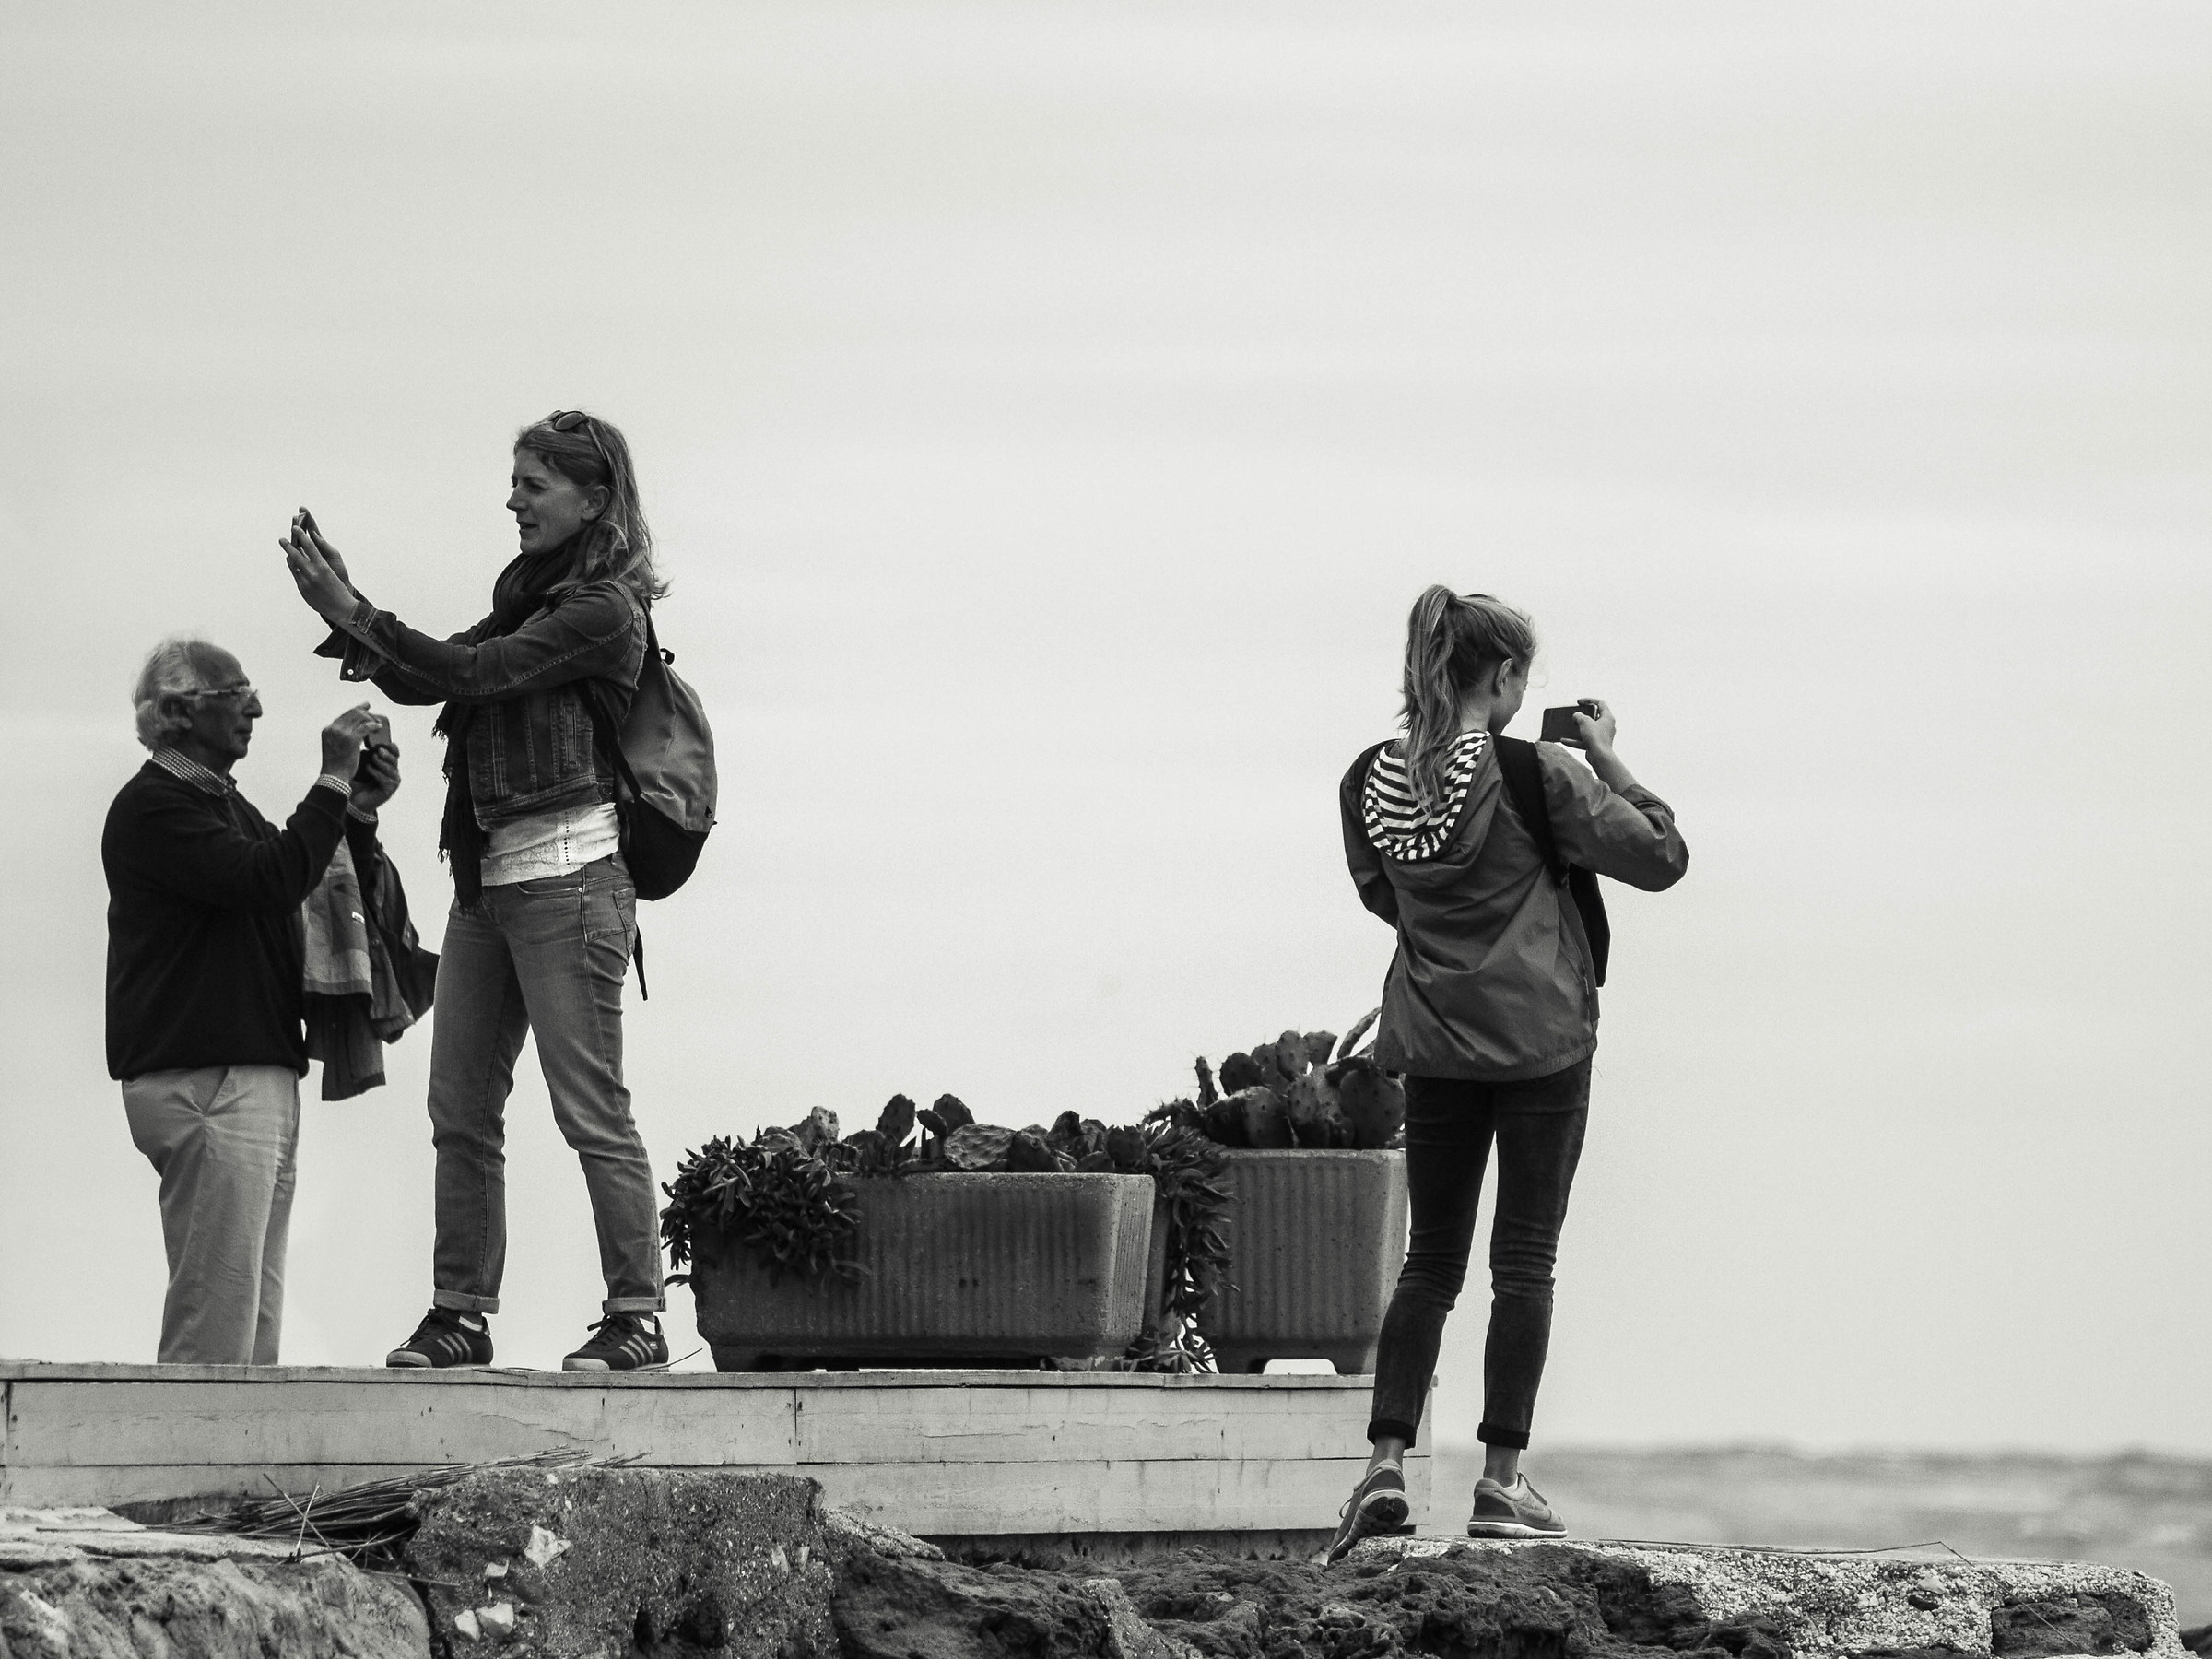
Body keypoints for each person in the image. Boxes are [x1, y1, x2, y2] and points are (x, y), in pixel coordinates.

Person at [278, 410, 669, 1372]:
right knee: (459, 1110)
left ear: (595, 497)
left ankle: (639, 1317)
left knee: (590, 1112)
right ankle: (461, 1315)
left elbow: (477, 672)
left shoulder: (605, 609)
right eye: (517, 482)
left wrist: (355, 613)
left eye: (533, 485)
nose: (513, 500)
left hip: (572, 881)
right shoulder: (529, 593)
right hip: (489, 885)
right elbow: (440, 675)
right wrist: (351, 616)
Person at [1324, 586, 1688, 1560]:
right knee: (1523, 1264)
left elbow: (1380, 891)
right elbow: (1660, 857)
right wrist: (1607, 756)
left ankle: (1385, 1470)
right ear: (1502, 675)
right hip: (1542, 1047)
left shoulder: (1371, 781)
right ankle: (1499, 1482)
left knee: (1428, 1262)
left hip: (1434, 1045)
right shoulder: (1539, 776)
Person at [104, 638, 400, 1364]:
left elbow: (303, 878)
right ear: (178, 713)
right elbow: (271, 879)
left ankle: (225, 1470)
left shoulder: (214, 804)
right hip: (211, 1077)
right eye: (236, 695)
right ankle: (184, 1472)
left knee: (250, 1320)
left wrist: (355, 810)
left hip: (244, 1073)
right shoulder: (155, 808)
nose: (257, 709)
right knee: (219, 1322)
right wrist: (331, 780)